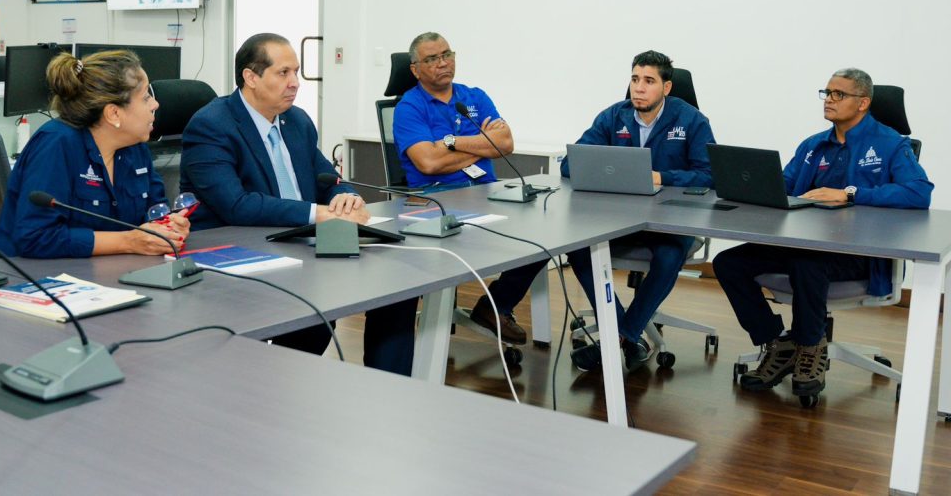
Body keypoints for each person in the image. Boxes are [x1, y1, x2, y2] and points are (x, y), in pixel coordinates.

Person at [180, 33, 418, 375]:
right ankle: (271, 382)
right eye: (283, 73)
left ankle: (387, 394)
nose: (295, 83)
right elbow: (237, 206)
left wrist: (345, 198)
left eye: (297, 72)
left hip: (299, 245)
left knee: (396, 287)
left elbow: (326, 177)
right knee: (316, 315)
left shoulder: (298, 121)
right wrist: (318, 213)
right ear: (250, 77)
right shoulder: (211, 125)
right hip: (239, 250)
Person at [714, 68, 932, 397]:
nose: (828, 100)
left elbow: (919, 193)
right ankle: (778, 342)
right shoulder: (813, 146)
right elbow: (782, 188)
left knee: (807, 264)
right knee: (729, 262)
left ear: (863, 103)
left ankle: (810, 347)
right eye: (826, 93)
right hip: (801, 243)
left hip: (858, 253)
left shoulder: (890, 145)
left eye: (838, 94)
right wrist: (751, 190)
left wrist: (851, 193)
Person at [561, 50, 715, 372]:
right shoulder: (613, 117)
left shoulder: (692, 121)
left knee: (670, 255)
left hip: (670, 223)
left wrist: (665, 177)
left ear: (667, 88)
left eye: (648, 81)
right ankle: (625, 333)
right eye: (634, 80)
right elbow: (569, 164)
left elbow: (710, 175)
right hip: (619, 220)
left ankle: (619, 336)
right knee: (576, 249)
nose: (638, 88)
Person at [392, 31, 547, 346]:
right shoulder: (409, 107)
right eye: (432, 59)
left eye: (447, 54)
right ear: (415, 69)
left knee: (543, 237)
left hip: (486, 194)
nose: (443, 63)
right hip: (437, 201)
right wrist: (482, 146)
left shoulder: (474, 96)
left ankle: (495, 307)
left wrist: (450, 144)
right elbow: (428, 163)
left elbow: (505, 143)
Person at [0, 50, 189, 258]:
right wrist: (128, 241)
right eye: (145, 98)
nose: (155, 104)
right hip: (40, 277)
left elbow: (154, 211)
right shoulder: (56, 144)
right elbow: (34, 237)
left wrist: (169, 227)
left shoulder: (134, 145)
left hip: (116, 272)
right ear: (113, 113)